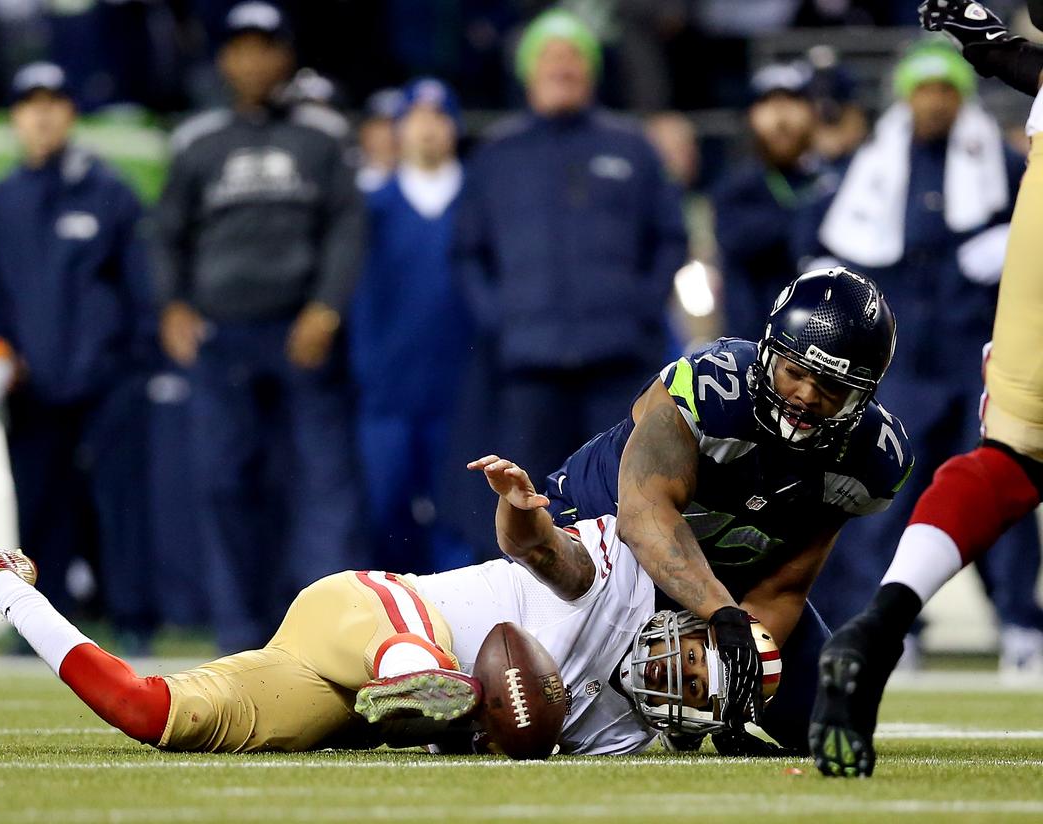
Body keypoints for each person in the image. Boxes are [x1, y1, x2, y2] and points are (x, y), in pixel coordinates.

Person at [0, 451, 781, 756]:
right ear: (702, 626)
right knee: (440, 683)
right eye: (703, 659)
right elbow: (550, 559)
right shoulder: (627, 573)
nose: (685, 679)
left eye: (704, 693)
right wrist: (518, 512)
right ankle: (421, 684)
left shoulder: (631, 737)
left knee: (148, 713)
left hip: (337, 694)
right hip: (370, 614)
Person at [811, 0, 1043, 778]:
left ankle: (883, 621)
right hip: (916, 354)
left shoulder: (1000, 155)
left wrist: (994, 48)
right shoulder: (883, 166)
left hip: (1018, 283)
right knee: (898, 481)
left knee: (1008, 461)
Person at [545, 267, 910, 753]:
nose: (804, 394)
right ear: (767, 354)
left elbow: (784, 587)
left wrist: (734, 684)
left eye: (829, 386)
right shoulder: (709, 390)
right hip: (600, 549)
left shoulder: (866, 461)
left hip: (724, 578)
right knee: (534, 701)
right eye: (795, 371)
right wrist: (720, 614)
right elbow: (645, 519)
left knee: (825, 724)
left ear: (861, 397)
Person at [152, 2, 366, 651]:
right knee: (224, 484)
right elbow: (166, 234)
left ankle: (328, 636)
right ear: (224, 59)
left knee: (322, 484)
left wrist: (327, 306)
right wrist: (173, 305)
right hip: (222, 338)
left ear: (286, 56)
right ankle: (239, 636)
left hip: (302, 334)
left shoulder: (324, 134)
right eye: (240, 47)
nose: (253, 61)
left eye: (266, 47)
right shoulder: (197, 140)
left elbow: (348, 226)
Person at [0, 61, 157, 650]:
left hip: (106, 381)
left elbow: (141, 289)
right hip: (30, 383)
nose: (42, 114)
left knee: (120, 503)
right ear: (15, 118)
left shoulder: (112, 192)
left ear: (71, 113)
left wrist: (133, 366)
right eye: (31, 103)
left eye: (54, 101)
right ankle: (39, 628)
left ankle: (130, 621)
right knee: (39, 506)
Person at [454, 7, 687, 489]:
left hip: (618, 362)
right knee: (528, 499)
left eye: (574, 56)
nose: (563, 66)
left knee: (622, 498)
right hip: (527, 367)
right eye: (550, 56)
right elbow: (468, 253)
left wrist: (640, 309)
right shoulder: (496, 154)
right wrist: (500, 320)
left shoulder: (632, 146)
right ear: (527, 72)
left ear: (592, 70)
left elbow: (670, 236)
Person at [350, 78, 473, 574]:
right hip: (387, 391)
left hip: (461, 390)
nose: (428, 128)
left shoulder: (479, 200)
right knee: (386, 506)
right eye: (416, 117)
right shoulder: (369, 207)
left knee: (461, 512)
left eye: (439, 116)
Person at [714, 60, 831, 339]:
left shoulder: (835, 180)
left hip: (827, 347)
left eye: (792, 103)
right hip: (754, 346)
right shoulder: (737, 188)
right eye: (768, 105)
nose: (780, 119)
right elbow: (740, 241)